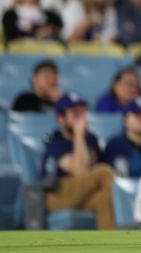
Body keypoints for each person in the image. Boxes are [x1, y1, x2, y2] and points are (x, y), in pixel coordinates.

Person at [41, 93, 115, 229]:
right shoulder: (55, 141)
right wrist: (79, 135)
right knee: (103, 172)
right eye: (76, 114)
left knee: (104, 198)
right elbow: (80, 171)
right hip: (58, 194)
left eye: (83, 113)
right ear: (60, 119)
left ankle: (111, 246)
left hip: (85, 194)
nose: (82, 119)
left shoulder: (92, 139)